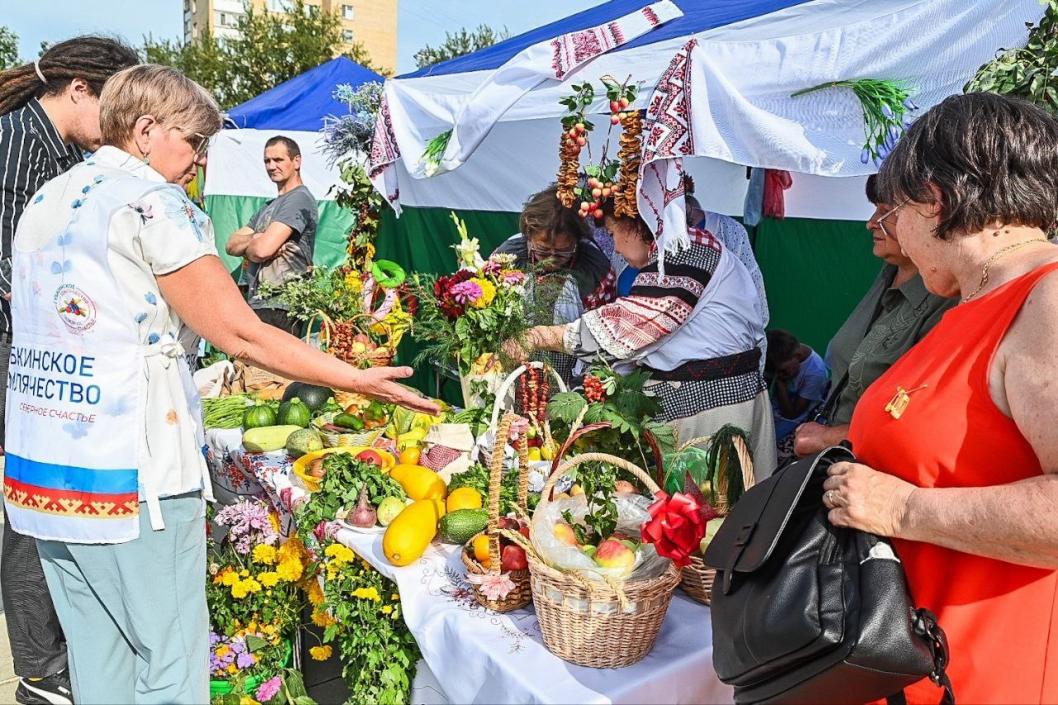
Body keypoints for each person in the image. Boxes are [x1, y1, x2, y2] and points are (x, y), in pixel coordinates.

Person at [5, 64, 436, 705]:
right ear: (147, 130)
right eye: (194, 142)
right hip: (133, 470)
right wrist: (359, 381)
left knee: (101, 660)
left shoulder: (50, 197)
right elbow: (242, 333)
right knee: (172, 666)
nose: (199, 161)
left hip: (44, 471)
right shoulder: (150, 201)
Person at [821, 93, 1058, 703]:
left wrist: (903, 511)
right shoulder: (967, 305)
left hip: (984, 673)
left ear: (934, 199)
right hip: (912, 666)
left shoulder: (1046, 300)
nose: (890, 228)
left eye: (893, 210)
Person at [0, 36, 139, 705]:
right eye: (113, 102)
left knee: (45, 501)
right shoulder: (22, 144)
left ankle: (56, 651)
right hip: (18, 350)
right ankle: (39, 668)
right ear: (80, 88)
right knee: (30, 505)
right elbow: (13, 268)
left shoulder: (59, 149)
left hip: (35, 348)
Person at [504, 198, 777, 475]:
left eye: (613, 234)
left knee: (715, 507)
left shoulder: (683, 253)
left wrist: (538, 336)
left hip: (715, 414)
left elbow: (624, 329)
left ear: (635, 225)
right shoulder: (677, 252)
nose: (617, 250)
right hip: (709, 406)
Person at [793, 175, 953, 458]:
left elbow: (918, 417)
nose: (870, 223)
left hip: (875, 471)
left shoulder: (944, 299)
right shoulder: (887, 274)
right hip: (837, 457)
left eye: (884, 212)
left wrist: (828, 438)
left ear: (927, 217)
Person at [491, 185, 615, 382]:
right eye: (542, 250)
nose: (551, 258)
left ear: (577, 240)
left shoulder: (594, 270)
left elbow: (601, 331)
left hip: (570, 375)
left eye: (562, 251)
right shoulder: (507, 259)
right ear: (529, 235)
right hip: (511, 366)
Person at [225, 135, 317, 335]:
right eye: (267, 161)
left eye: (278, 160)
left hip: (282, 303)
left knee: (271, 366)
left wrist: (256, 243)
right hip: (258, 302)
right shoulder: (269, 206)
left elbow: (261, 251)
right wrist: (257, 237)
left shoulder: (298, 198)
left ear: (297, 161)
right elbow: (231, 245)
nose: (271, 166)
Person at [765, 329, 828, 448]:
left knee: (767, 445)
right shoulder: (785, 354)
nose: (779, 373)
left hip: (796, 419)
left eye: (783, 370)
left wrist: (781, 383)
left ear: (798, 356)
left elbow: (791, 414)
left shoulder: (815, 373)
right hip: (775, 410)